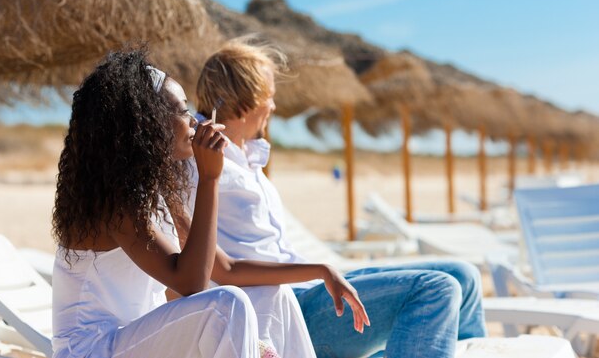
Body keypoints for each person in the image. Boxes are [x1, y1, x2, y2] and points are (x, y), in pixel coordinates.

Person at [51, 49, 367, 358]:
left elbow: (224, 268)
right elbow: (190, 283)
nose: (192, 121)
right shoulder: (117, 201)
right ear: (147, 123)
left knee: (274, 295)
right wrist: (210, 179)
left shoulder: (155, 193)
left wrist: (323, 270)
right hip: (92, 349)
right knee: (227, 306)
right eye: (181, 110)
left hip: (135, 341)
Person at [192, 39, 488, 358]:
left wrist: (319, 272)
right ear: (247, 97)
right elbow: (218, 268)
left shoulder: (248, 159)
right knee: (437, 290)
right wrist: (319, 270)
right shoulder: (201, 166)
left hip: (307, 288)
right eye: (270, 96)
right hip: (286, 314)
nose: (274, 107)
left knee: (465, 276)